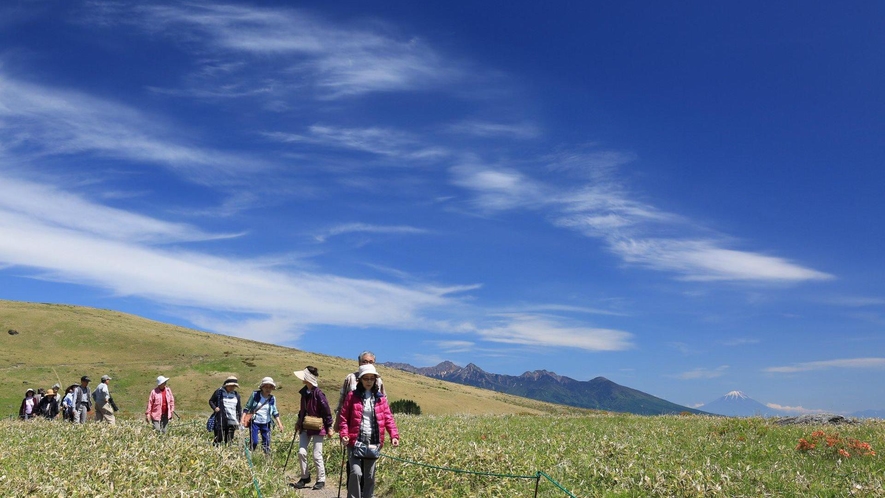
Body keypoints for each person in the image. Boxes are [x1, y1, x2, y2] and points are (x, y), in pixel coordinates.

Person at [338, 364, 400, 498]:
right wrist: (344, 434)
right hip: (355, 440)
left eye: (372, 378)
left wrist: (394, 436)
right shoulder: (351, 396)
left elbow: (388, 418)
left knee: (370, 476)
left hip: (373, 441)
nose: (369, 381)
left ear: (375, 380)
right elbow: (343, 417)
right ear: (360, 380)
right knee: (356, 473)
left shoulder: (380, 398)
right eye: (366, 378)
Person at [291, 367, 334, 490]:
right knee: (301, 452)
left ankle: (321, 479)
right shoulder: (304, 393)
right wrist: (299, 421)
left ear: (308, 378)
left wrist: (329, 426)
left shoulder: (319, 394)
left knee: (317, 454)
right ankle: (305, 477)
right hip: (305, 426)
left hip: (318, 426)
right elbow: (302, 410)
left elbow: (326, 411)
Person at [334, 351, 385, 431]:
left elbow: (384, 403)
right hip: (352, 424)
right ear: (359, 363)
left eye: (371, 362)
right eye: (365, 361)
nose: (368, 364)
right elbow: (342, 401)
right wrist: (338, 422)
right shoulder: (351, 378)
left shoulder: (378, 381)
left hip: (372, 425)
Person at [242, 377, 283, 455]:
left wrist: (280, 424)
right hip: (255, 422)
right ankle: (250, 454)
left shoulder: (272, 398)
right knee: (254, 441)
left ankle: (266, 458)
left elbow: (275, 412)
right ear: (262, 387)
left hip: (266, 423)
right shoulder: (255, 395)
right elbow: (247, 407)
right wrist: (242, 418)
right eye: (266, 387)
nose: (268, 389)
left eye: (270, 387)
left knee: (266, 442)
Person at [209, 376, 242, 445]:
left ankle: (227, 452)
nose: (232, 388)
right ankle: (216, 451)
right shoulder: (219, 392)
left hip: (232, 420)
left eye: (234, 386)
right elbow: (211, 401)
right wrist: (215, 408)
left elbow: (238, 408)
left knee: (229, 440)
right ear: (226, 385)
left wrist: (240, 419)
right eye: (230, 386)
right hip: (220, 419)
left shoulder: (236, 395)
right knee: (219, 438)